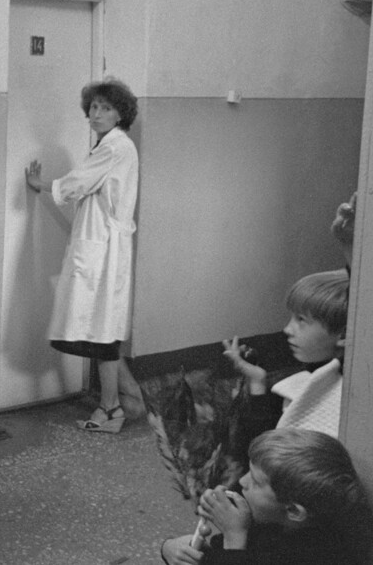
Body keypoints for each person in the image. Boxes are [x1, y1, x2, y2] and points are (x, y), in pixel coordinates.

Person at [24, 77, 143, 433]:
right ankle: (130, 398)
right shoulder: (110, 145)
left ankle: (111, 409)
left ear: (120, 113)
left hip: (104, 246)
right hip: (100, 243)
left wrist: (40, 185)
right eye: (93, 107)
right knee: (99, 327)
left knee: (103, 331)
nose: (96, 114)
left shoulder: (115, 146)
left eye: (106, 108)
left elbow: (78, 183)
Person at [160, 428, 373, 564]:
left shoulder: (319, 555)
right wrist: (171, 548)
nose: (242, 482)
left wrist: (234, 537)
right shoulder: (268, 519)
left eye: (255, 481)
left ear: (293, 510)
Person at [224, 270, 348, 446]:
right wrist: (257, 381)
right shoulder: (300, 379)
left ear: (343, 334)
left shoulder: (347, 397)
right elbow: (263, 447)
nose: (287, 329)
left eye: (301, 320)